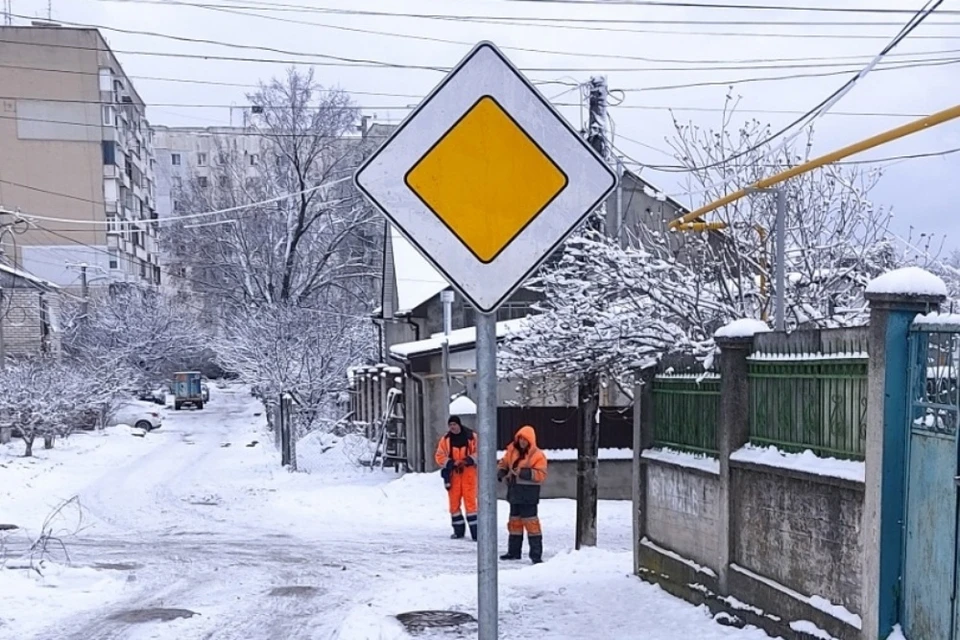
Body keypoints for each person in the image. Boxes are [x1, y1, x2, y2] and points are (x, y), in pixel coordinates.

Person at [497, 424, 548, 564]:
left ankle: (536, 555)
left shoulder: (538, 455)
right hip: (514, 493)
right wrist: (501, 471)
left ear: (530, 440)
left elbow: (541, 475)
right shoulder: (512, 451)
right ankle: (513, 552)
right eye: (520, 439)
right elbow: (504, 462)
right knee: (514, 523)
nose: (522, 442)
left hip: (528, 495)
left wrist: (522, 472)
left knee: (531, 524)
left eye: (525, 439)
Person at [434, 415, 478, 540]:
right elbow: (439, 456)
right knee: (454, 504)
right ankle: (458, 531)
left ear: (459, 425)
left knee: (471, 504)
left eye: (454, 424)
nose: (452, 427)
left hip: (468, 474)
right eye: (450, 425)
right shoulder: (446, 440)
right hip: (453, 475)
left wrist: (467, 460)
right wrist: (452, 463)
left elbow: (480, 451)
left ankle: (476, 533)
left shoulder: (472, 437)